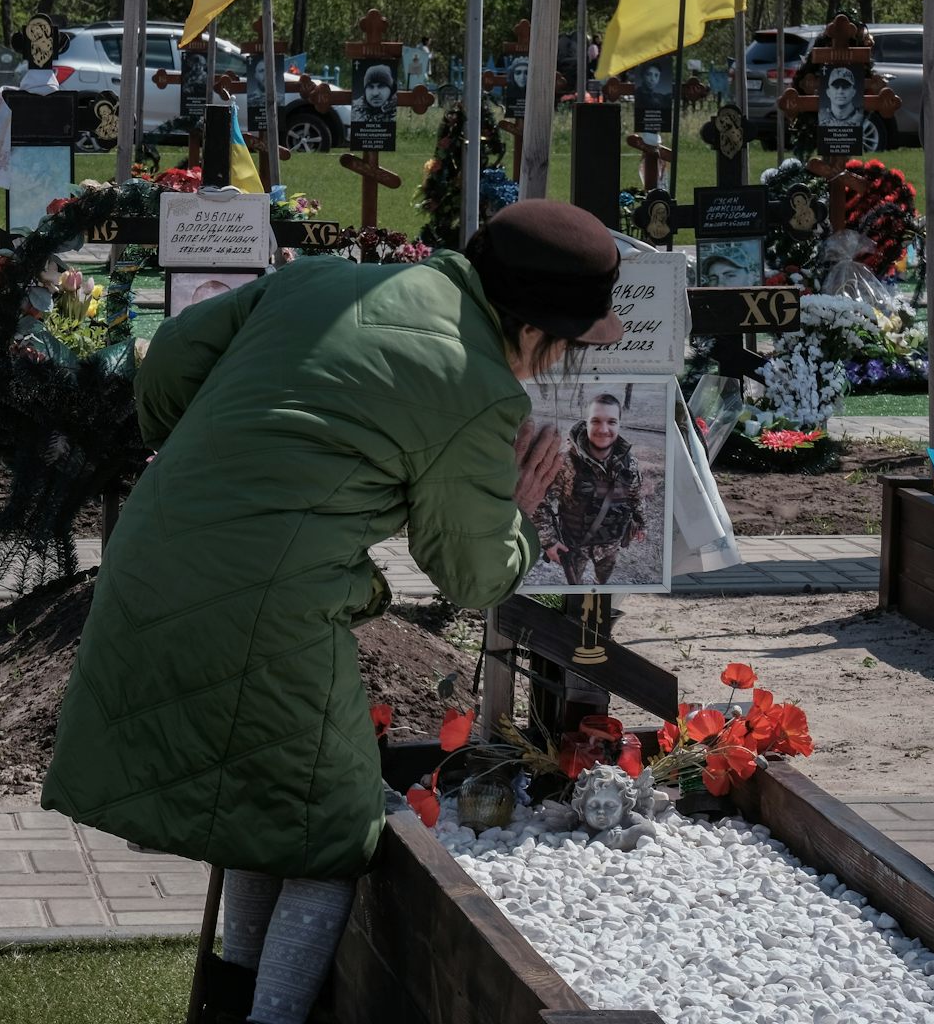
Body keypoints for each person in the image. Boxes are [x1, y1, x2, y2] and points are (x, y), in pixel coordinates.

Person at [43, 200, 624, 1024]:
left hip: (152, 549)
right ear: (537, 329)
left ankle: (232, 1005)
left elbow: (169, 360)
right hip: (263, 608)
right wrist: (521, 513)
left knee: (271, 811)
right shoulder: (476, 386)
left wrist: (231, 454)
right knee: (333, 833)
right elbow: (470, 573)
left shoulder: (318, 281)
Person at [536, 392, 647, 587]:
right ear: (585, 422)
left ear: (619, 424)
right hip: (574, 546)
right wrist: (549, 541)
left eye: (611, 422)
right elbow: (538, 501)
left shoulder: (629, 463)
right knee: (574, 589)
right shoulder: (565, 463)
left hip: (610, 545)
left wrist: (641, 522)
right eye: (595, 421)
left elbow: (635, 496)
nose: (604, 429)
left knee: (603, 581)